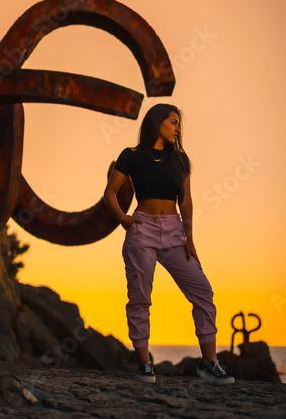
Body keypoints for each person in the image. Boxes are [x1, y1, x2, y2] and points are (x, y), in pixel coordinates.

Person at [103, 103, 234, 385]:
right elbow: (110, 193)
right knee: (140, 298)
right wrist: (123, 219)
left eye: (178, 124)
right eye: (173, 122)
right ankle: (144, 364)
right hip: (143, 230)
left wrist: (190, 238)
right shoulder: (132, 156)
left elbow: (185, 200)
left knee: (202, 291)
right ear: (157, 122)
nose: (177, 128)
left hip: (175, 232)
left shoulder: (180, 160)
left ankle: (209, 363)